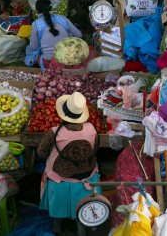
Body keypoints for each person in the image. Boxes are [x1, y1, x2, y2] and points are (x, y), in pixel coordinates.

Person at [37, 92, 101, 235]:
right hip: (87, 177)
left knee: (57, 211)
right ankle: (83, 227)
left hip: (60, 180)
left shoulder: (54, 132)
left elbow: (41, 153)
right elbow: (95, 149)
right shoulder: (92, 129)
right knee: (81, 213)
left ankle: (57, 226)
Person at [30, 0, 82, 69]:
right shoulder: (63, 18)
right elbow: (79, 35)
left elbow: (33, 47)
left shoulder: (36, 24)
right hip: (67, 60)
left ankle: (46, 72)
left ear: (37, 11)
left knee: (32, 52)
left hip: (48, 62)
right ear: (51, 8)